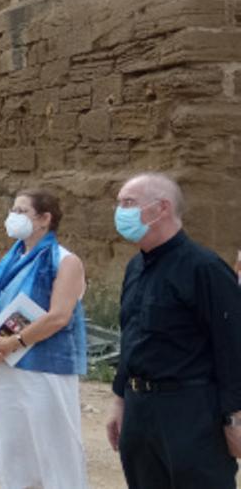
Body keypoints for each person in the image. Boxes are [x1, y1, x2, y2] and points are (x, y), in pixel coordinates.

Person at [105, 173, 241, 488]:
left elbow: (232, 346)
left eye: (129, 203)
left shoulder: (203, 268)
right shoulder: (135, 267)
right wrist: (119, 400)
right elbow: (132, 339)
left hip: (190, 411)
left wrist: (234, 418)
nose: (120, 212)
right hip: (140, 408)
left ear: (161, 208)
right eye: (119, 203)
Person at [0, 189, 89, 488]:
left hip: (45, 369)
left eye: (22, 211)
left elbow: (59, 316)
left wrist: (13, 342)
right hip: (8, 367)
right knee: (14, 445)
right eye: (13, 210)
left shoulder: (65, 261)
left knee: (52, 446)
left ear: (44, 219)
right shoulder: (8, 260)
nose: (13, 217)